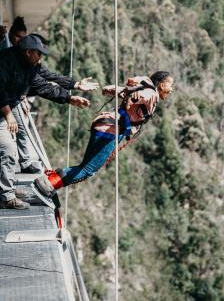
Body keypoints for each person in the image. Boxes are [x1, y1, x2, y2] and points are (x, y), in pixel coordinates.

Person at [33, 71, 174, 207]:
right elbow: (141, 96)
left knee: (84, 166)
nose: (171, 89)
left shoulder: (141, 89)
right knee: (88, 170)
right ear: (161, 85)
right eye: (170, 85)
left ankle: (50, 181)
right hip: (112, 131)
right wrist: (134, 96)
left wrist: (126, 92)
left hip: (104, 124)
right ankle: (48, 185)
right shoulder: (152, 94)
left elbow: (108, 89)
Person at [0, 34, 92, 210]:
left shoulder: (29, 67)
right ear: (28, 52)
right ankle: (6, 197)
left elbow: (44, 86)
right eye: (39, 54)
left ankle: (6, 188)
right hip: (3, 109)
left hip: (7, 109)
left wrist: (70, 98)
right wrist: (8, 114)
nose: (41, 58)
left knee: (8, 148)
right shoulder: (5, 61)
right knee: (9, 150)